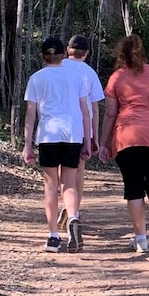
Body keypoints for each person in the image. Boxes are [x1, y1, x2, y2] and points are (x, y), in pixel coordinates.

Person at [98, 33, 149, 253]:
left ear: (121, 54)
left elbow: (111, 114)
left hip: (129, 136)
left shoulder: (117, 77)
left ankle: (141, 239)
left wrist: (103, 143)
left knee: (134, 187)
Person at [23, 36, 92, 253]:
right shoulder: (76, 77)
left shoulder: (36, 78)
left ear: (43, 56)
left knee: (51, 185)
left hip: (48, 135)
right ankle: (72, 217)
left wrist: (27, 145)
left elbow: (30, 114)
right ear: (63, 55)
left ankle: (53, 236)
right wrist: (88, 140)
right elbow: (85, 112)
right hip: (73, 134)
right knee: (69, 183)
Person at [57, 34, 105, 242]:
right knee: (78, 172)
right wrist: (93, 136)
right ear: (86, 53)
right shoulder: (89, 73)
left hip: (57, 127)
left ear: (68, 50)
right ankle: (73, 211)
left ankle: (66, 206)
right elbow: (94, 106)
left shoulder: (56, 67)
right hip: (80, 129)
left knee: (61, 171)